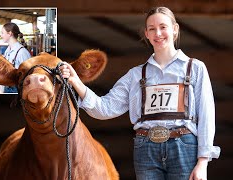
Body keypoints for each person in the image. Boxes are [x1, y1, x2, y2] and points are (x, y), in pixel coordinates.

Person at [60, 6, 220, 180]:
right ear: (147, 34)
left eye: (163, 27)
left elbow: (206, 115)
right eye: (152, 29)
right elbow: (105, 108)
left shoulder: (195, 68)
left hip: (184, 146)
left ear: (175, 29)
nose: (158, 33)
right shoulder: (135, 75)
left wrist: (203, 161)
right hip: (146, 148)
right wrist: (75, 81)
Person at [0, 22, 31, 93]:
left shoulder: (22, 52)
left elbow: (28, 74)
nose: (1, 35)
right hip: (7, 86)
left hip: (18, 89)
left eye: (2, 33)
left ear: (10, 33)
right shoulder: (7, 51)